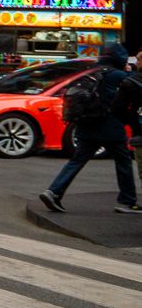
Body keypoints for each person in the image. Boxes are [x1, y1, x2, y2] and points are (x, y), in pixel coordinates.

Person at [41, 43, 142, 214]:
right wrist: (129, 69)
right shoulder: (117, 75)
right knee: (123, 160)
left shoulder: (92, 71)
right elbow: (135, 84)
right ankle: (127, 201)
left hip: (86, 124)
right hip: (109, 126)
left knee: (77, 160)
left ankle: (54, 191)